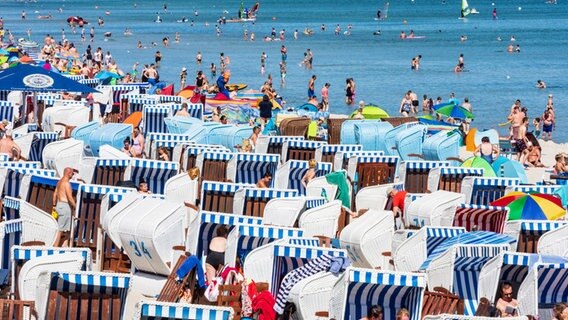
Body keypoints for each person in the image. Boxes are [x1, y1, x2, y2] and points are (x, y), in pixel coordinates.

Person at [53, 167, 76, 247]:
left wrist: (54, 205)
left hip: (59, 205)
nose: (72, 175)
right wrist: (75, 206)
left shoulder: (59, 182)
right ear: (69, 173)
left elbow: (55, 194)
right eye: (72, 173)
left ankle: (65, 246)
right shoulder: (66, 183)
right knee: (61, 230)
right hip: (65, 206)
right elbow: (69, 197)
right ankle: (54, 248)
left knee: (66, 230)